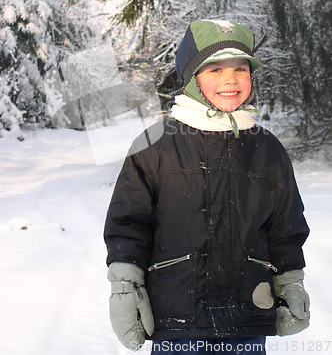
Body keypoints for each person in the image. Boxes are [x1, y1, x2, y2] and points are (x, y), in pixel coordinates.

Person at [104, 19, 310, 354]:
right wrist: (125, 288)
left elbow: (284, 228)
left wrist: (290, 283)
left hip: (246, 317)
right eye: (214, 69)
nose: (230, 79)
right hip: (176, 319)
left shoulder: (267, 148)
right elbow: (128, 224)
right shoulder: (154, 143)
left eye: (240, 69)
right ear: (191, 79)